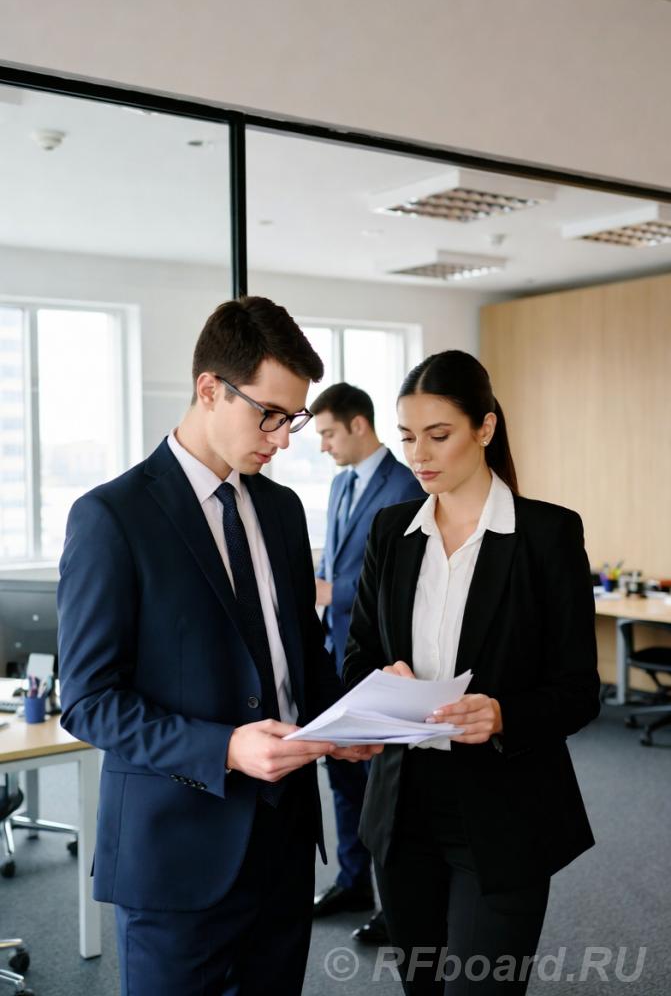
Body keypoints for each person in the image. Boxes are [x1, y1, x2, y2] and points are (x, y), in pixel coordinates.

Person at [57, 297, 380, 996]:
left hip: (286, 842)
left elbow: (298, 658)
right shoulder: (113, 517)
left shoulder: (282, 509)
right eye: (269, 414)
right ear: (209, 389)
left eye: (292, 419)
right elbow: (88, 702)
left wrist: (352, 719)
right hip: (176, 850)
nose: (283, 438)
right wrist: (225, 748)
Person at [343, 350, 600, 995]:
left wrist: (504, 713)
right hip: (402, 808)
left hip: (502, 809)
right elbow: (356, 656)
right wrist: (383, 681)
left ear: (484, 429)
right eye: (406, 438)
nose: (419, 456)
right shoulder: (389, 532)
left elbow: (577, 690)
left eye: (439, 435)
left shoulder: (547, 534)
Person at [310, 382, 422, 942]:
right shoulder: (337, 484)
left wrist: (335, 591)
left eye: (328, 432)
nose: (323, 445)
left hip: (382, 656)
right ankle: (353, 880)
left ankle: (391, 901)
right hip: (336, 652)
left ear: (359, 425)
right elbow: (331, 558)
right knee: (341, 775)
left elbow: (399, 575)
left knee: (380, 785)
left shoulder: (404, 484)